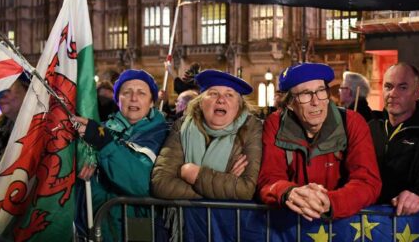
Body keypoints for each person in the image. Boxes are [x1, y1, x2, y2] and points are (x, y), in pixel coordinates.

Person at [257, 63, 381, 220]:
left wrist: (330, 201)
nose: (316, 102)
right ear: (289, 103)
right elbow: (268, 179)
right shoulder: (275, 124)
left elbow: (368, 182)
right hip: (291, 228)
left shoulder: (352, 122)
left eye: (321, 91)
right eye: (305, 94)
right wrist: (289, 192)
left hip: (341, 226)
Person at [73, 69, 169, 241]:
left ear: (152, 101)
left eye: (141, 93)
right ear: (117, 100)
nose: (133, 98)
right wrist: (83, 163)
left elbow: (141, 183)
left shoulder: (163, 134)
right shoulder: (98, 129)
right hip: (96, 229)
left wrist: (104, 145)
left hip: (138, 230)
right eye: (126, 92)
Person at [151, 70, 262, 200]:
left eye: (229, 95)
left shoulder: (251, 128)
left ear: (239, 105)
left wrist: (191, 173)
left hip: (229, 219)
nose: (221, 100)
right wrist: (223, 185)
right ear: (201, 102)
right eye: (213, 93)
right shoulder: (181, 127)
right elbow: (161, 184)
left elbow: (245, 190)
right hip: (185, 218)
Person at [368, 63, 419, 215]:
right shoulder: (370, 128)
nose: (393, 93)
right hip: (367, 224)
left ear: (418, 92)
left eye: (403, 87)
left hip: (411, 225)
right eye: (388, 86)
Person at [0, 73, 30, 161]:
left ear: (26, 89)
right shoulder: (0, 130)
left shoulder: (44, 127)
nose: (1, 95)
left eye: (7, 87)